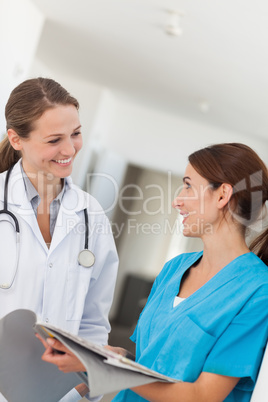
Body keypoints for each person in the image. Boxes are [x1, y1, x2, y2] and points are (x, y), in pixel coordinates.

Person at [38, 143, 268, 402]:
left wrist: (109, 368)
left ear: (222, 195)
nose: (177, 200)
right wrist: (93, 358)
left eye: (189, 185)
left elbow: (203, 396)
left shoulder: (258, 292)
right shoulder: (175, 268)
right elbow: (149, 361)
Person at [0, 77, 118, 401]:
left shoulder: (91, 217)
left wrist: (82, 387)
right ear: (16, 139)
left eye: (76, 134)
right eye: (54, 140)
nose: (69, 150)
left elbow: (94, 321)